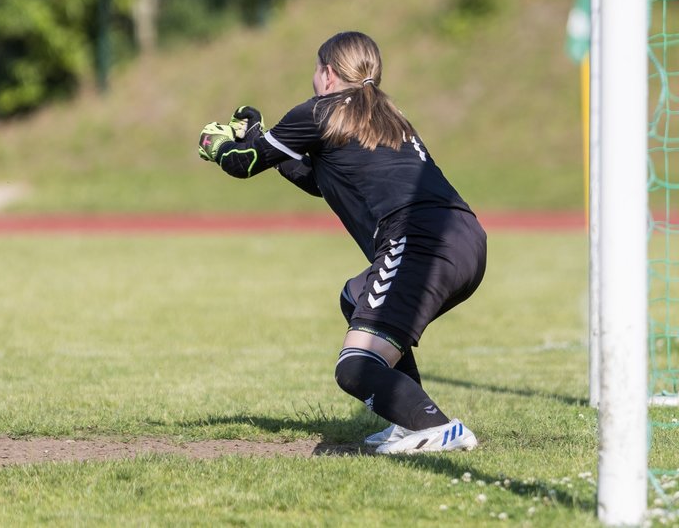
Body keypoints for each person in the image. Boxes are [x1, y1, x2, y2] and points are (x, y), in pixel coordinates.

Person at [196, 30, 487, 454]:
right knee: (356, 297)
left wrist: (222, 144)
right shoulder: (389, 114)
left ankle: (438, 427)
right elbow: (322, 181)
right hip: (467, 239)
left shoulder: (319, 110)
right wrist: (262, 137)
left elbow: (243, 164)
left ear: (328, 74)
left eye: (316, 70)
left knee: (353, 368)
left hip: (419, 242)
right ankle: (409, 419)